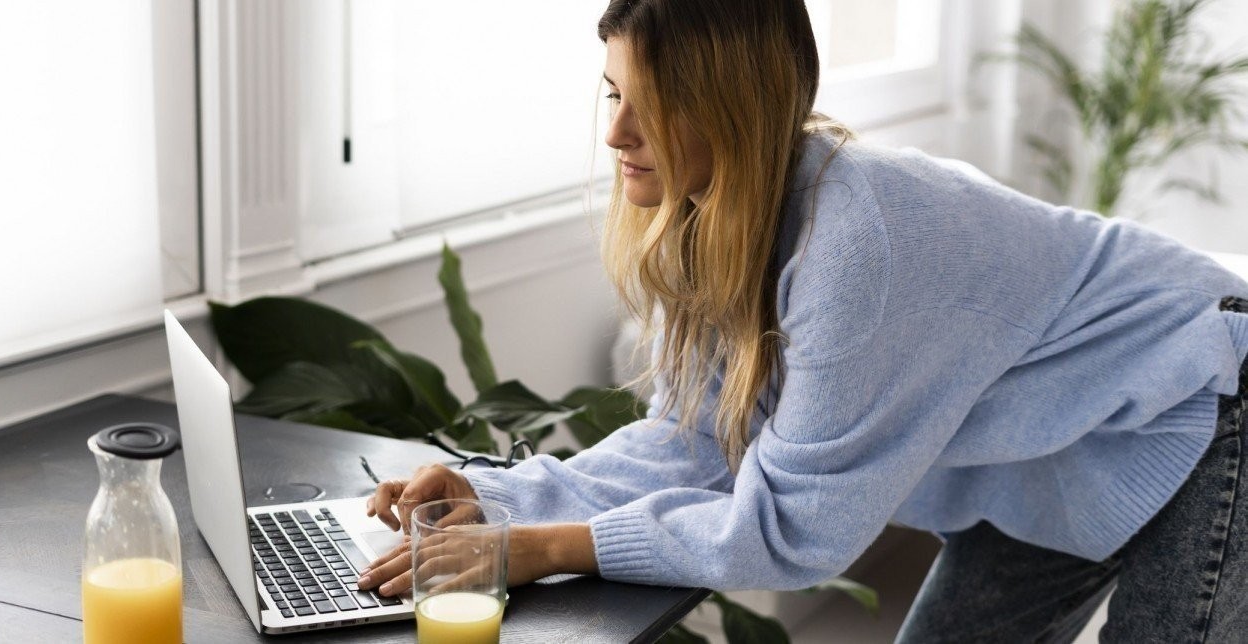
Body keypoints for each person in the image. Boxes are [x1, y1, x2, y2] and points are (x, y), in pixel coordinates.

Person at [357, 0, 1248, 640]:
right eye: (610, 94)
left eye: (647, 103)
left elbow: (790, 531)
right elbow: (694, 440)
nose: (617, 134)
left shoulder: (855, 241)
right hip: (1052, 455)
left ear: (729, 106)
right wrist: (500, 498)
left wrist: (540, 548)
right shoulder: (724, 220)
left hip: (1199, 401)